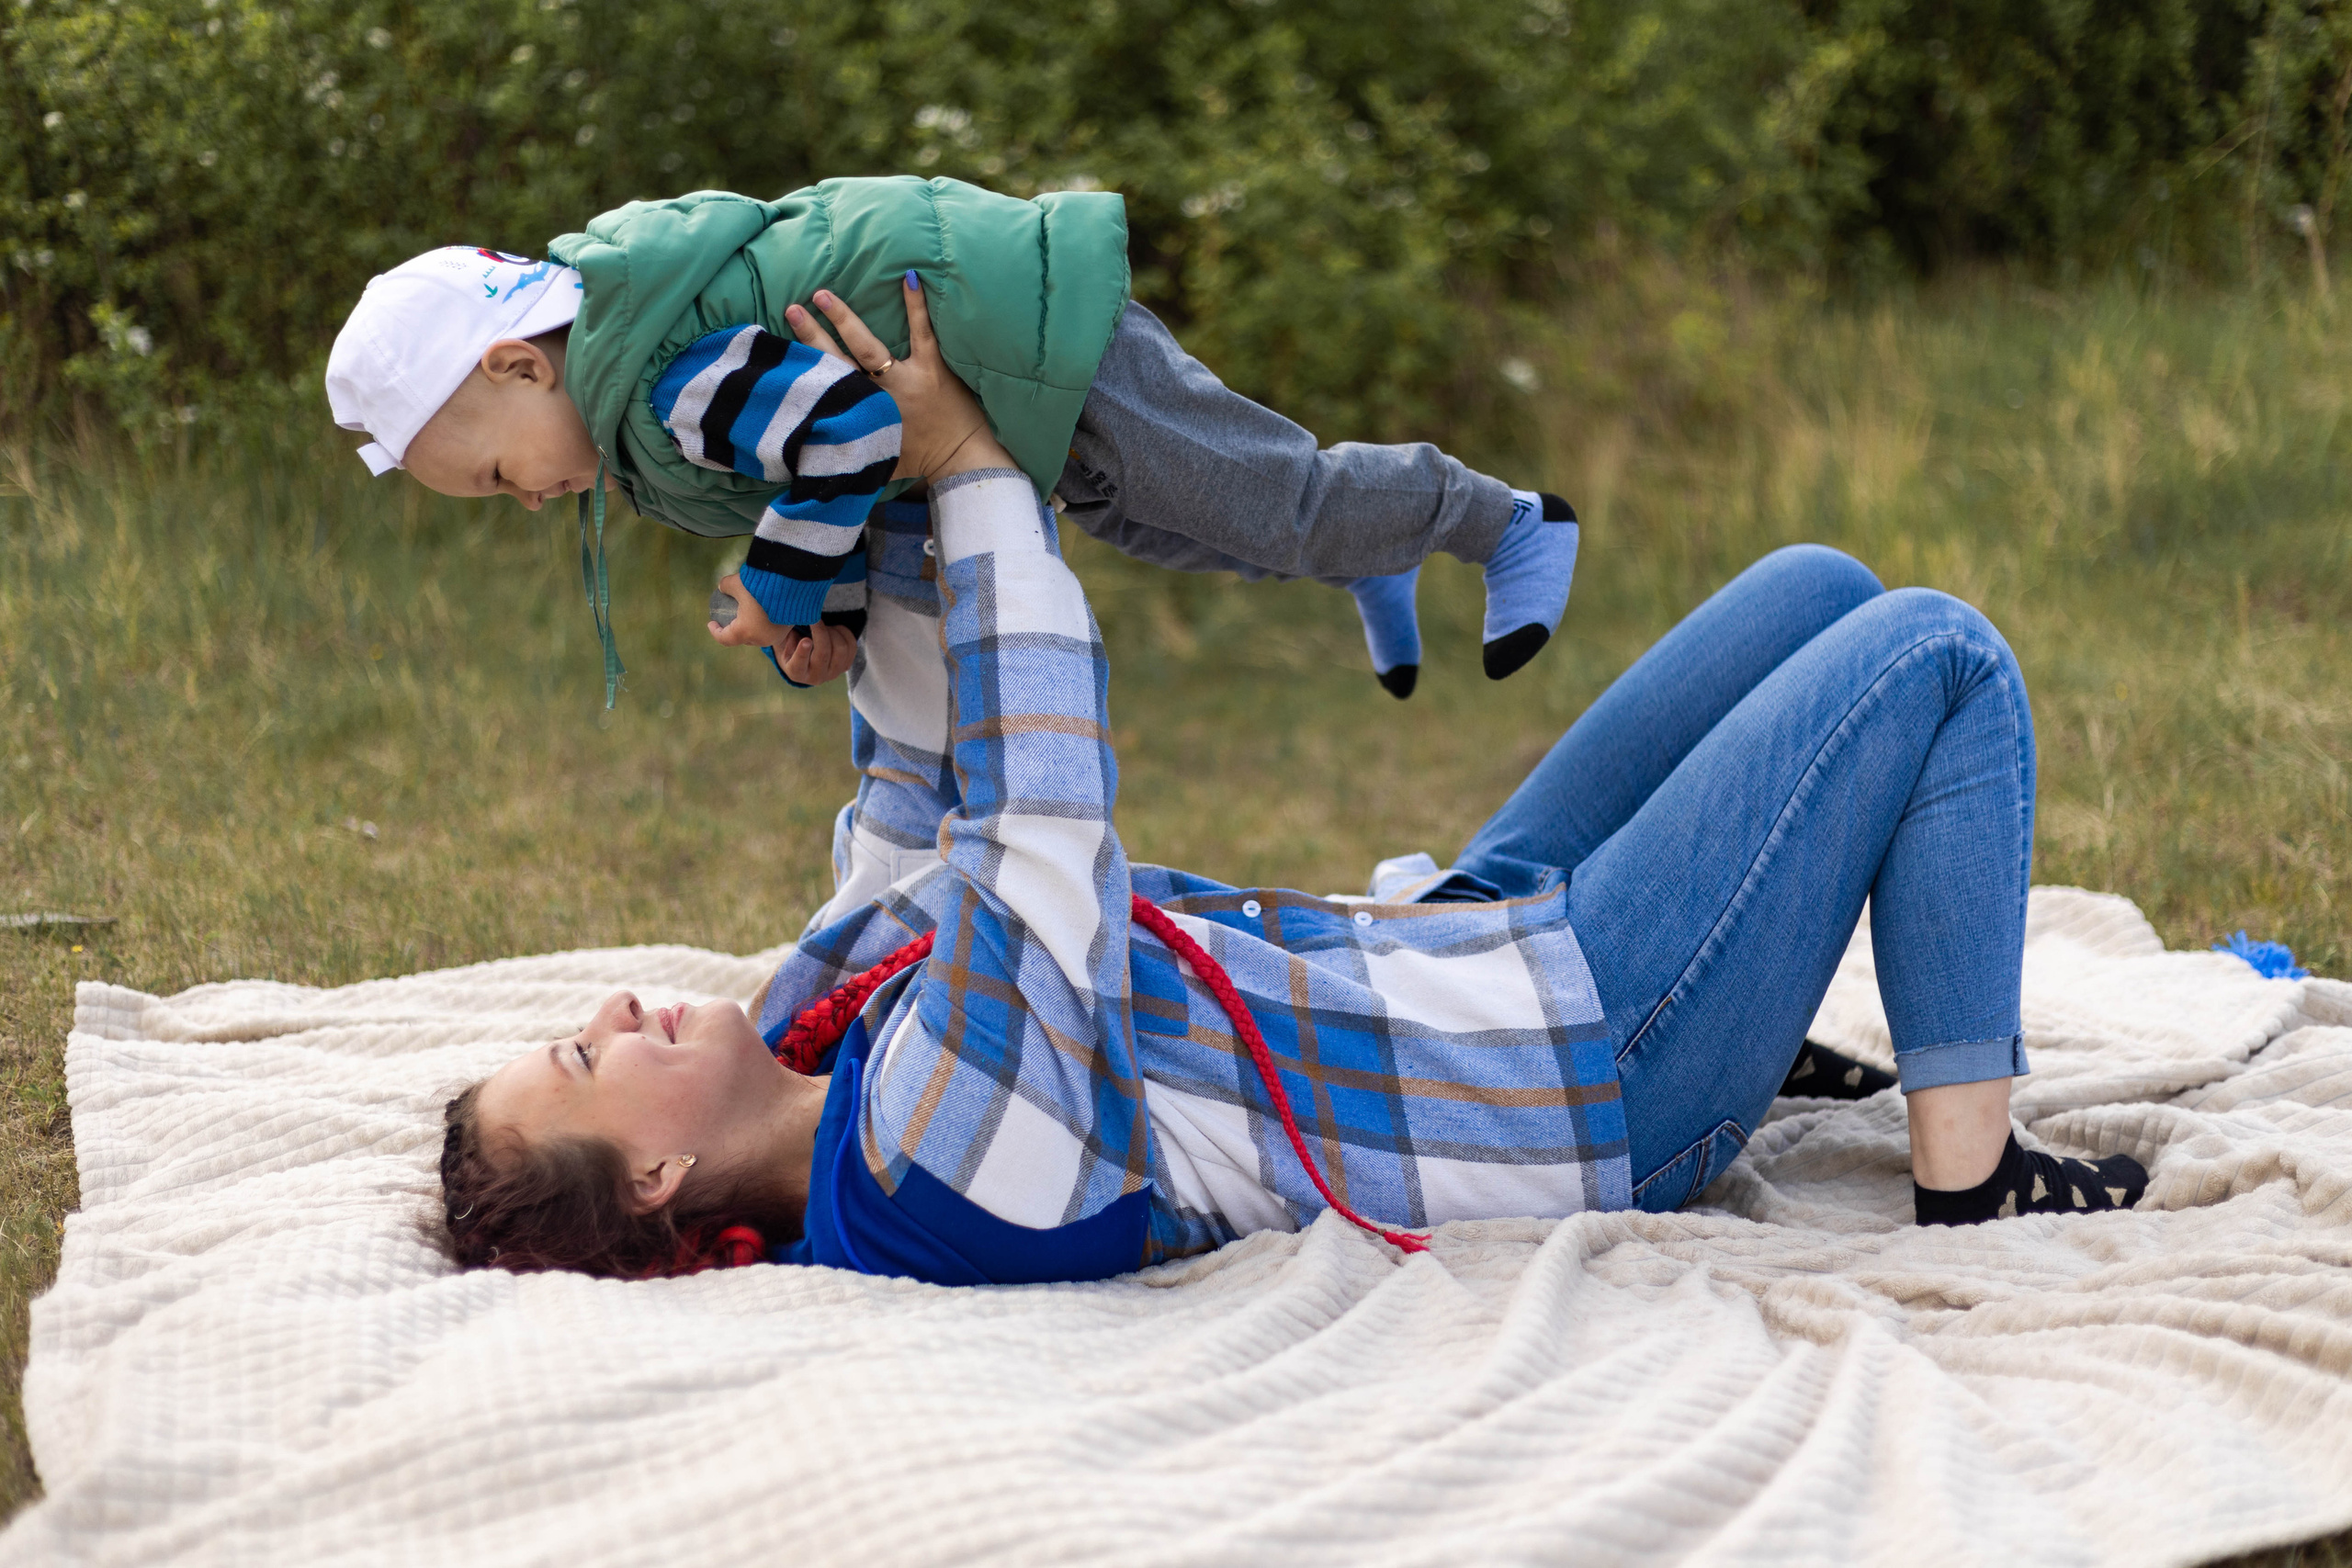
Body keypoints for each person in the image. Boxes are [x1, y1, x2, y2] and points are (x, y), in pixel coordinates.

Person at [436, 286, 2148, 1285]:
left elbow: (913, 790)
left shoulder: (822, 1032)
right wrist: (970, 478)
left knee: (1817, 587)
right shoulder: (933, 1164)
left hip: (1467, 952)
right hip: (1593, 1076)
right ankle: (1968, 1180)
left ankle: (1775, 1012)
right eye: (587, 1060)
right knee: (1933, 655)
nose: (612, 1009)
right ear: (655, 1185)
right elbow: (1032, 813)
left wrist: (861, 574)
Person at [322, 178, 1581, 704]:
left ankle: (1503, 520)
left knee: (1256, 492)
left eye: (496, 476)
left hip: (1033, 336)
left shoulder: (656, 380)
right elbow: (854, 489)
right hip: (1005, 386)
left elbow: (857, 430)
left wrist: (770, 587)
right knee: (1171, 517)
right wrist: (829, 625)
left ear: (518, 364)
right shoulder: (638, 381)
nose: (527, 501)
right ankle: (1360, 555)